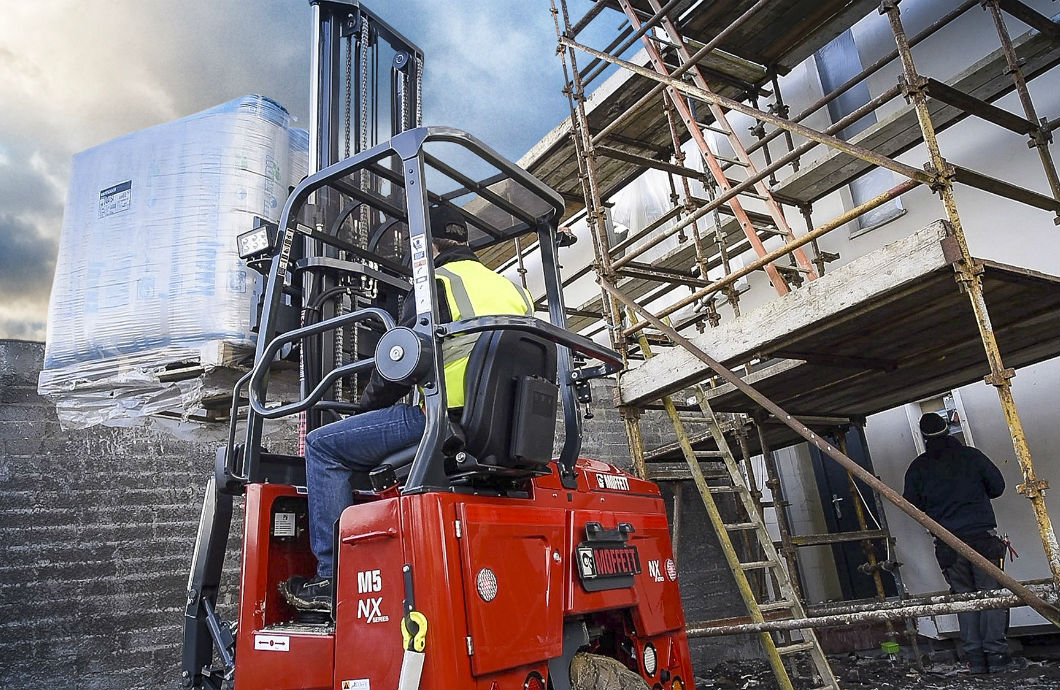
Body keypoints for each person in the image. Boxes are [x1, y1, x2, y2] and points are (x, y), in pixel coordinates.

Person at [282, 204, 534, 612]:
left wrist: (362, 411)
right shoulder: (513, 290)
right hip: (509, 432)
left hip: (441, 421)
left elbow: (400, 361)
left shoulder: (433, 282)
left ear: (428, 245)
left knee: (322, 447)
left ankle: (331, 579)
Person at [903, 412, 1011, 674]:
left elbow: (910, 504)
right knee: (991, 596)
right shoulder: (971, 456)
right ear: (947, 430)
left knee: (965, 599)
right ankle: (995, 657)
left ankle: (974, 659)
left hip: (948, 545)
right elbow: (998, 487)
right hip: (982, 540)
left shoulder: (919, 467)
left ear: (923, 436)